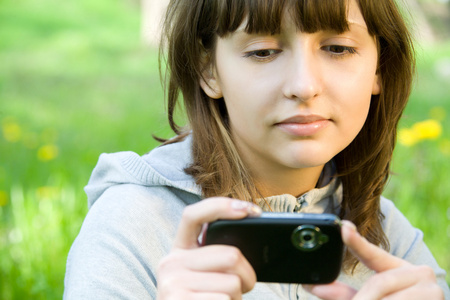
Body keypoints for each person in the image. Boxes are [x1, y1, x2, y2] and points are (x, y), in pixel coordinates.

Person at [64, 0, 450, 299]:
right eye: (263, 52)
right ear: (208, 70)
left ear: (379, 67)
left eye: (337, 48)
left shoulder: (387, 238)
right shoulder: (133, 225)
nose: (303, 85)